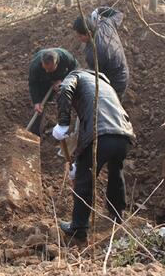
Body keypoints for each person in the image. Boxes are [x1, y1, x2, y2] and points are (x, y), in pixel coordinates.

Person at [52, 69, 136, 240]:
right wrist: (79, 161)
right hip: (124, 134)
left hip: (101, 135)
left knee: (85, 180)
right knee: (116, 171)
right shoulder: (104, 83)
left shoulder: (75, 76)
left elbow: (65, 89)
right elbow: (86, 127)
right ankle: (117, 214)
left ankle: (79, 228)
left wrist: (63, 123)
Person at [73, 6, 129, 98]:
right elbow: (119, 14)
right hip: (123, 71)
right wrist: (100, 10)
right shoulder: (106, 24)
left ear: (89, 33)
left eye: (80, 36)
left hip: (115, 82)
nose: (78, 38)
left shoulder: (94, 53)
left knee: (110, 107)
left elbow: (96, 79)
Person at [28, 48, 79, 136]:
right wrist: (36, 101)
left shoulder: (65, 57)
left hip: (61, 76)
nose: (47, 71)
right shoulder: (35, 65)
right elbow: (33, 83)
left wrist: (62, 80)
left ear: (56, 63)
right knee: (40, 106)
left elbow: (75, 68)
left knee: (69, 92)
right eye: (45, 68)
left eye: (50, 69)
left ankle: (73, 122)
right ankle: (34, 134)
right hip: (43, 81)